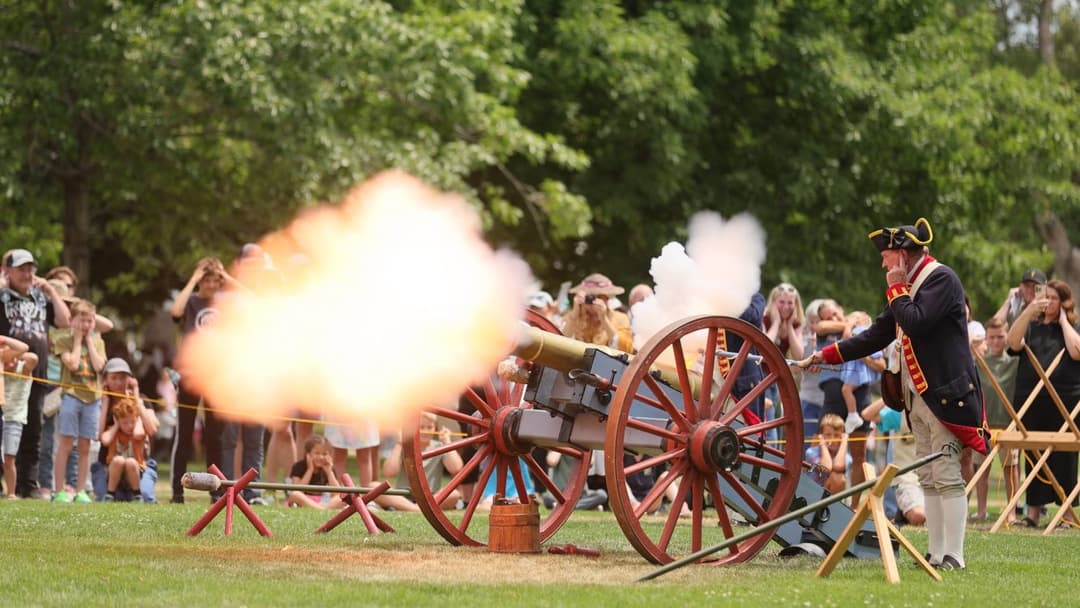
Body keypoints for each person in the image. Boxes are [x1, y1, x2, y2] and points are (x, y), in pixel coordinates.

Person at [804, 217, 987, 571]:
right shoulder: (907, 287)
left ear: (903, 255)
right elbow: (876, 335)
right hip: (918, 396)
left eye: (887, 256)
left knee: (947, 473)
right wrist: (825, 356)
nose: (884, 264)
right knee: (930, 476)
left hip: (946, 395)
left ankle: (955, 556)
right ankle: (935, 554)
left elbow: (915, 321)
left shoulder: (940, 279)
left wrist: (896, 287)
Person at [1006, 278, 1080, 528]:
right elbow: (1012, 343)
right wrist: (1029, 310)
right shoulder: (1031, 326)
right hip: (1031, 397)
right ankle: (1034, 512)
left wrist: (1063, 321)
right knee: (1033, 454)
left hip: (1066, 399)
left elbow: (1076, 352)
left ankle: (1067, 513)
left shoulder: (1071, 327)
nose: (1048, 302)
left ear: (1063, 302)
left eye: (1054, 298)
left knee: (1065, 457)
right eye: (1045, 297)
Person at [0, 249, 71, 498]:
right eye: (21, 268)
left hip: (36, 376)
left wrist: (51, 291)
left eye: (31, 268)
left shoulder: (41, 298)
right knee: (2, 429)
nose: (27, 274)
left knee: (33, 432)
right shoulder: (2, 296)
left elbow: (64, 322)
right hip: (5, 374)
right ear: (7, 271)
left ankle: (27, 486)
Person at [169, 256, 237, 503]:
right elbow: (174, 312)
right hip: (190, 375)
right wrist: (194, 279)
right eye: (206, 280)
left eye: (214, 280)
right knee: (184, 433)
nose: (210, 284)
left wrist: (225, 277)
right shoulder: (191, 302)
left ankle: (215, 490)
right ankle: (177, 492)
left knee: (214, 437)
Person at [50, 298, 106, 503]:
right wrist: (76, 341)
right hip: (71, 397)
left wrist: (89, 341)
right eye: (81, 321)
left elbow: (100, 366)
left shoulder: (99, 342)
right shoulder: (63, 340)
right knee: (66, 443)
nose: (85, 325)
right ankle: (59, 490)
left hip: (93, 398)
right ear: (72, 321)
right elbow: (72, 364)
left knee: (85, 446)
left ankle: (81, 490)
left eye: (89, 321)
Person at [93, 358, 159, 502]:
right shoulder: (102, 402)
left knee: (146, 497)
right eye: (114, 378)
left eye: (122, 378)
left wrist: (136, 399)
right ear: (105, 380)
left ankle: (136, 491)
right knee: (106, 497)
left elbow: (152, 429)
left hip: (139, 464)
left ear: (130, 379)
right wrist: (105, 404)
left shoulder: (141, 398)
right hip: (109, 465)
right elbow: (98, 436)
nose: (118, 382)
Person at [862, 398, 927, 526]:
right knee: (919, 515)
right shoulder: (900, 414)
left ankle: (902, 513)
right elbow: (867, 414)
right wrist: (891, 394)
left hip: (934, 479)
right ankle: (905, 511)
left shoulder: (939, 412)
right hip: (909, 479)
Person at [980, 317, 1020, 524]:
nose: (996, 341)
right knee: (981, 471)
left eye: (1000, 337)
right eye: (992, 337)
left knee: (1010, 469)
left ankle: (1011, 511)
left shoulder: (1014, 362)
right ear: (986, 339)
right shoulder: (979, 362)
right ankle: (981, 511)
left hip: (1008, 425)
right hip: (984, 426)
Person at [380, 413, 463, 511]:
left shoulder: (440, 446)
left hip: (431, 498)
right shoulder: (405, 446)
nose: (426, 431)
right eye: (421, 427)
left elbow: (456, 468)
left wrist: (447, 442)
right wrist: (399, 443)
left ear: (435, 428)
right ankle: (417, 509)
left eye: (429, 427)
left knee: (454, 494)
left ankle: (411, 509)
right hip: (403, 497)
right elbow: (389, 472)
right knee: (373, 486)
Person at [561, 274, 633, 352]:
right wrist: (575, 314)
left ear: (607, 298)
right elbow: (560, 343)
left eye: (599, 297)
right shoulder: (571, 318)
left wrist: (604, 319)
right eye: (589, 297)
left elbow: (626, 349)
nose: (593, 301)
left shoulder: (621, 318)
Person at [98, 396, 149, 502]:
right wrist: (116, 425)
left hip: (135, 471)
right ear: (117, 421)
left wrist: (138, 419)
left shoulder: (138, 431)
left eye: (132, 421)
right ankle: (110, 495)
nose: (129, 426)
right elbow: (105, 440)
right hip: (115, 472)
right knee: (118, 460)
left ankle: (137, 495)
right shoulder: (113, 432)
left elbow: (138, 434)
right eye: (125, 423)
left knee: (130, 461)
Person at [2, 336, 34, 498]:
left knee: (9, 457)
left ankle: (11, 493)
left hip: (14, 419)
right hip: (2, 417)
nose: (10, 362)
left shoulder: (24, 369)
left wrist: (6, 345)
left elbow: (31, 355)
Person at [286, 434, 346, 509]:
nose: (321, 457)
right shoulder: (298, 466)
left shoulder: (328, 469)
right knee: (295, 494)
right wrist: (310, 470)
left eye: (324, 454)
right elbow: (298, 490)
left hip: (322, 501)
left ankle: (320, 508)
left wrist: (329, 472)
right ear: (308, 454)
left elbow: (337, 493)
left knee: (342, 497)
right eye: (317, 453)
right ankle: (323, 509)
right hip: (304, 499)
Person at [805, 414, 850, 495]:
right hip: (812, 494)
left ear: (842, 437)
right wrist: (823, 444)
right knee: (834, 476)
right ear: (821, 436)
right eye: (828, 435)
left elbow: (838, 466)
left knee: (838, 478)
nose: (832, 438)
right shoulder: (811, 452)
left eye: (836, 435)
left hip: (832, 497)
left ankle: (833, 506)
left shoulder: (846, 457)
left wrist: (844, 443)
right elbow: (826, 468)